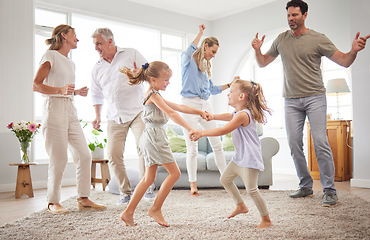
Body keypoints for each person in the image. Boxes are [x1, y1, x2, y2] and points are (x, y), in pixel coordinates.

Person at [251, 0, 370, 207]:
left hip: (315, 97)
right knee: (294, 143)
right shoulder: (281, 40)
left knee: (320, 142)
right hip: (290, 100)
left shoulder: (318, 39)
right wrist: (257, 50)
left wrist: (353, 51)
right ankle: (305, 185)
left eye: (295, 15)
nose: (291, 19)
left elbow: (343, 61)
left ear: (305, 15)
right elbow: (262, 63)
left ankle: (330, 190)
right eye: (289, 15)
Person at [120, 61, 210, 227]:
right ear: (153, 80)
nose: (168, 83)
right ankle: (155, 209)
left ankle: (128, 212)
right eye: (165, 80)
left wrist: (199, 112)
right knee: (174, 173)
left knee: (148, 178)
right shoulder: (153, 95)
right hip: (155, 138)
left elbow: (178, 106)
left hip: (151, 136)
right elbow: (171, 112)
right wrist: (190, 128)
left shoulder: (155, 94)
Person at [33, 24, 106, 214]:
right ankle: (53, 202)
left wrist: (75, 92)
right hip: (54, 108)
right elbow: (36, 85)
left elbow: (62, 86)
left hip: (70, 109)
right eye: (75, 35)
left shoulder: (70, 62)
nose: (78, 39)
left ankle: (83, 197)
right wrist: (61, 91)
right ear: (64, 35)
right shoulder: (50, 56)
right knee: (59, 158)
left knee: (84, 154)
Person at [190, 79, 273, 229]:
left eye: (231, 92)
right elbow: (229, 117)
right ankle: (241, 205)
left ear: (241, 97)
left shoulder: (243, 115)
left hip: (250, 158)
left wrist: (202, 132)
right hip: (240, 158)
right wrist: (213, 117)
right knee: (225, 180)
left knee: (252, 190)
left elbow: (224, 130)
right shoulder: (237, 113)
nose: (228, 94)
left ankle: (266, 219)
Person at [91, 28, 155, 204]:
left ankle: (148, 188)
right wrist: (97, 116)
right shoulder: (97, 68)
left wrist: (139, 74)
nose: (96, 47)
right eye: (95, 44)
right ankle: (125, 192)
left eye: (99, 43)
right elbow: (96, 95)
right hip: (114, 116)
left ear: (110, 41)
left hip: (137, 111)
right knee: (113, 154)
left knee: (144, 148)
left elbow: (150, 71)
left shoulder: (130, 53)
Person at [181, 24, 239, 196]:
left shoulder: (206, 67)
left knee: (217, 144)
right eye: (213, 52)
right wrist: (200, 34)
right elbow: (189, 51)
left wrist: (231, 84)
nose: (213, 56)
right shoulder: (188, 61)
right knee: (192, 147)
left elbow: (212, 89)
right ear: (205, 46)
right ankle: (193, 185)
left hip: (205, 105)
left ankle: (225, 180)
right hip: (189, 105)